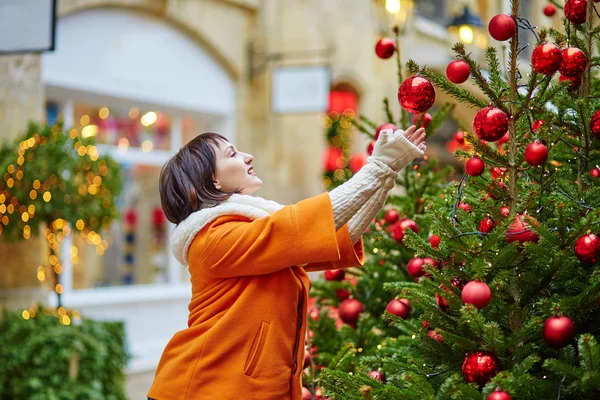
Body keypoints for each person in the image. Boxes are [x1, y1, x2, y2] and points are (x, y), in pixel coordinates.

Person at [147, 126, 426, 400]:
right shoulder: (213, 238)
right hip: (203, 388)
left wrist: (387, 171)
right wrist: (377, 166)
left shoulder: (250, 232)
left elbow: (339, 231)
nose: (247, 157)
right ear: (213, 181)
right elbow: (299, 226)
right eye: (232, 154)